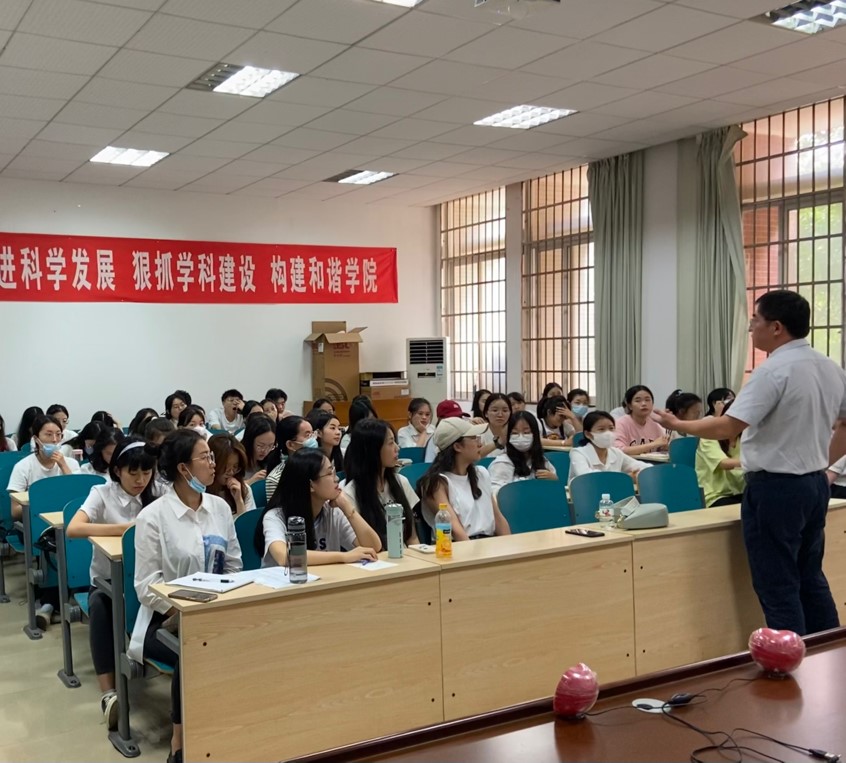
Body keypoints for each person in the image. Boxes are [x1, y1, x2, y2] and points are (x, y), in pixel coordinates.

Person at [654, 290, 846, 636]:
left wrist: (679, 424)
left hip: (776, 488)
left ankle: (792, 662)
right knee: (810, 575)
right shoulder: (831, 368)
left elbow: (728, 427)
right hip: (815, 485)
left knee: (778, 584)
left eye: (755, 321)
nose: (750, 328)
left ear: (776, 327)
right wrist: (820, 466)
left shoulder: (772, 371)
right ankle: (830, 654)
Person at [129, 428, 242, 763]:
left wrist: (217, 605)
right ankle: (180, 743)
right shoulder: (153, 517)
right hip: (163, 622)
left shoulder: (219, 508)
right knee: (194, 649)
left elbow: (234, 565)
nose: (213, 464)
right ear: (183, 468)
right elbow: (146, 584)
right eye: (205, 457)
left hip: (216, 611)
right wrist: (185, 610)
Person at [66, 437, 157, 730]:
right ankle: (109, 694)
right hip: (108, 581)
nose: (141, 480)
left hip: (150, 580)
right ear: (117, 470)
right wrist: (126, 530)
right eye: (133, 473)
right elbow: (73, 528)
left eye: (147, 472)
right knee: (100, 606)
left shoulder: (157, 492)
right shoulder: (102, 493)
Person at [255, 449, 380, 568]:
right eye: (329, 473)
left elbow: (373, 547)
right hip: (286, 582)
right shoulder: (275, 517)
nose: (336, 478)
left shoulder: (333, 511)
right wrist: (343, 556)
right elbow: (284, 556)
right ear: (311, 485)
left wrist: (347, 508)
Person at [418, 418, 510, 541]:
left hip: (489, 543)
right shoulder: (436, 483)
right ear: (457, 446)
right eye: (474, 438)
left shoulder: (481, 474)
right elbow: (456, 530)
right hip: (459, 546)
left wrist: (509, 545)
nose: (480, 444)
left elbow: (498, 519)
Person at [341, 419, 419, 548]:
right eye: (390, 443)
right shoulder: (350, 494)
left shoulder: (401, 482)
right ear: (372, 450)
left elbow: (412, 537)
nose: (397, 448)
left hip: (407, 556)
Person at [6, 414, 82, 516]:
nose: (54, 439)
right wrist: (44, 503)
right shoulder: (23, 466)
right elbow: (15, 512)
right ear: (36, 439)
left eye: (58, 434)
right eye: (49, 434)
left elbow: (77, 499)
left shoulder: (71, 463)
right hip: (35, 520)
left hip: (67, 518)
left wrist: (63, 466)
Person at [568, 411, 650, 483]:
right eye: (601, 429)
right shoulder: (578, 453)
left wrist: (638, 473)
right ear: (588, 434)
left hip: (613, 493)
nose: (608, 433)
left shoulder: (616, 452)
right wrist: (624, 478)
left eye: (611, 428)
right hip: (586, 493)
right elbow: (588, 476)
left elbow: (639, 466)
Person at [488, 412, 557, 496]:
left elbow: (554, 493)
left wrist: (554, 480)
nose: (521, 437)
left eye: (526, 432)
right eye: (515, 433)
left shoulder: (543, 461)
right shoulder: (502, 464)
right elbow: (496, 495)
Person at [695, 400, 744, 507]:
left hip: (741, 492)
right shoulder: (709, 437)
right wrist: (755, 461)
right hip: (715, 496)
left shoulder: (744, 437)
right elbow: (724, 463)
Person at [264, 416, 316, 503]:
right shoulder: (275, 479)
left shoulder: (320, 465)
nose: (313, 439)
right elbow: (278, 510)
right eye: (307, 435)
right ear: (290, 444)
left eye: (313, 434)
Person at [207, 434, 255, 515]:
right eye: (226, 467)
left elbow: (248, 522)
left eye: (235, 467)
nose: (231, 472)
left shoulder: (244, 489)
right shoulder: (201, 493)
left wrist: (239, 501)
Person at [614, 385, 668, 456]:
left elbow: (660, 448)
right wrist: (653, 444)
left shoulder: (655, 424)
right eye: (638, 401)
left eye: (647, 400)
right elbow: (619, 451)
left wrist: (665, 447)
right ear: (630, 406)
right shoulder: (620, 424)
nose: (644, 404)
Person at [239, 414, 275, 485]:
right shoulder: (237, 457)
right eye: (260, 445)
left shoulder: (272, 457)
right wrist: (250, 481)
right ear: (249, 441)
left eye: (270, 446)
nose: (265, 451)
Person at [479, 393, 512, 458]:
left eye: (505, 410)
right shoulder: (479, 432)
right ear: (486, 413)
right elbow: (472, 456)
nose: (500, 415)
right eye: (495, 410)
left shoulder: (514, 431)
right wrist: (498, 443)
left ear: (510, 413)